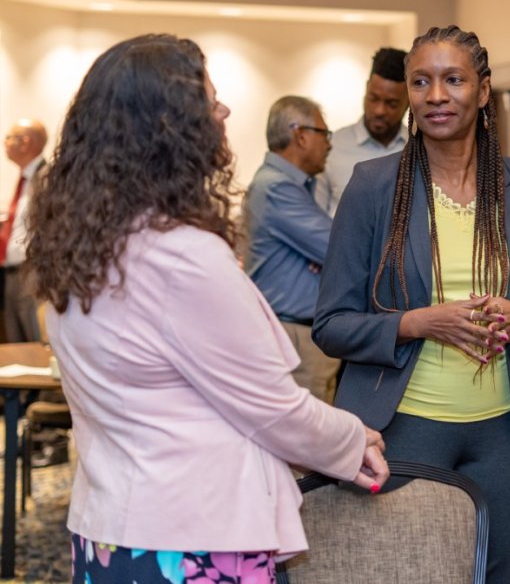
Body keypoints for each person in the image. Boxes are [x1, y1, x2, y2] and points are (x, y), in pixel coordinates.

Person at [25, 34, 388, 584]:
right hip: (189, 537)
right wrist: (353, 438)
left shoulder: (84, 243)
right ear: (170, 126)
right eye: (210, 101)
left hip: (111, 530)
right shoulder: (182, 255)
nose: (225, 112)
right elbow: (272, 409)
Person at [313, 25, 510, 583]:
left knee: (497, 573)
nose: (436, 95)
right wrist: (417, 323)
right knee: (409, 573)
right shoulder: (373, 186)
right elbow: (331, 324)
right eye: (421, 82)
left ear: (483, 91)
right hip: (403, 430)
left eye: (453, 80)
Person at [244, 95, 338, 401]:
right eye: (324, 134)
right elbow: (336, 248)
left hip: (302, 336)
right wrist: (328, 259)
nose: (329, 144)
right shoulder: (277, 187)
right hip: (294, 338)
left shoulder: (290, 185)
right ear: (300, 135)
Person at [314, 47, 408, 217]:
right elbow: (315, 219)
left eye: (392, 104)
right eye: (374, 98)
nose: (379, 110)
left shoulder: (421, 150)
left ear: (409, 101)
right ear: (366, 89)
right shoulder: (332, 147)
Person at [1, 119, 47, 343]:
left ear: (25, 142)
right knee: (15, 340)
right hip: (11, 273)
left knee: (34, 340)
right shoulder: (24, 180)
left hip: (32, 272)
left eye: (9, 138)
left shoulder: (47, 177)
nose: (5, 143)